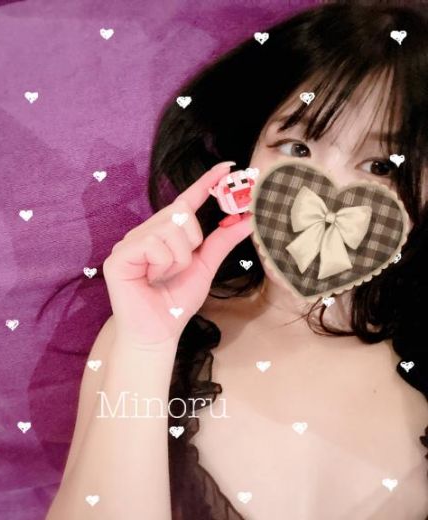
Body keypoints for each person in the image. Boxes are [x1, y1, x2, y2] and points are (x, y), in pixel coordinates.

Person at [44, 1, 428, 518]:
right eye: (296, 148)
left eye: (381, 165)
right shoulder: (153, 336)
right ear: (249, 155)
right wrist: (145, 348)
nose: (326, 189)